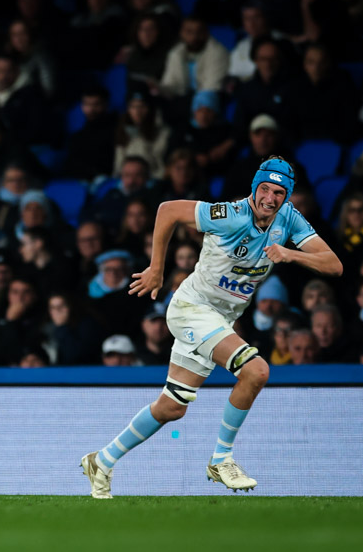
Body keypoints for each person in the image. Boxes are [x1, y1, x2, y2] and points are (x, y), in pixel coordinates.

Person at [82, 156, 342, 499]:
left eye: (278, 192)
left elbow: (333, 265)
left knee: (172, 406)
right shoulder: (231, 215)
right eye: (264, 188)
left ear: (286, 196)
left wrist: (293, 255)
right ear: (254, 188)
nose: (270, 198)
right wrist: (157, 268)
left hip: (219, 320)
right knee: (256, 371)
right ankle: (221, 459)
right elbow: (168, 210)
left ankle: (102, 460)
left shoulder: (289, 220)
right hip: (192, 309)